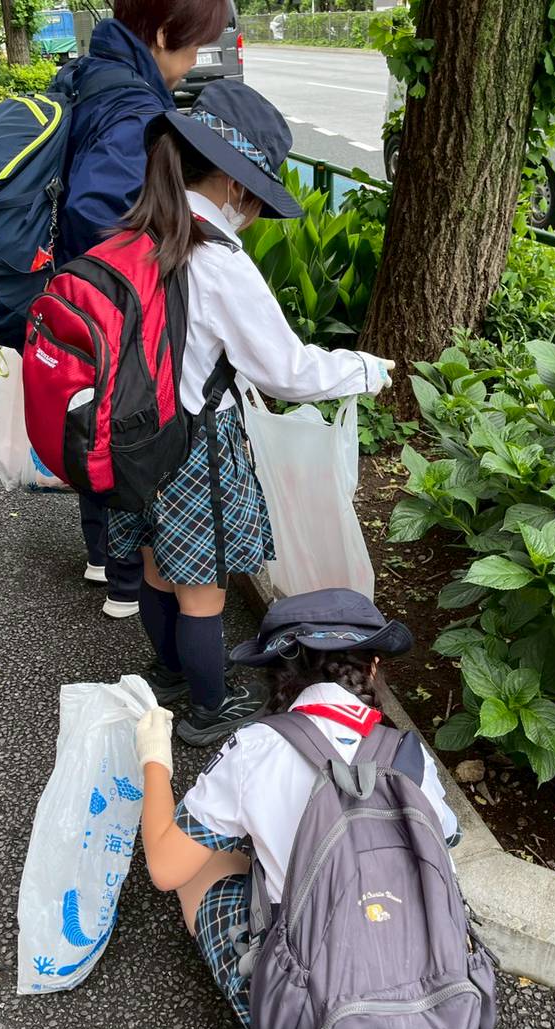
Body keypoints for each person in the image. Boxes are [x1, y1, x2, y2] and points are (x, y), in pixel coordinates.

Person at [110, 80, 395, 746]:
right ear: (237, 185)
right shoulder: (214, 256)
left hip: (131, 433)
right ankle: (209, 708)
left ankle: (169, 675)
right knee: (201, 592)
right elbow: (285, 370)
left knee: (154, 568)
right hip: (192, 447)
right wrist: (365, 370)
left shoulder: (138, 226)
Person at [134, 589, 459, 1029]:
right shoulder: (408, 753)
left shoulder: (256, 746)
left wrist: (155, 761)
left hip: (310, 1018)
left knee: (208, 864)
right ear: (373, 667)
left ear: (277, 673)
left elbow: (166, 869)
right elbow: (447, 838)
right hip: (430, 1010)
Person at [54, 0, 233, 620]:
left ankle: (101, 555)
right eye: (193, 46)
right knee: (123, 422)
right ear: (160, 34)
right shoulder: (135, 107)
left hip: (77, 296)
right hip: (113, 304)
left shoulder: (92, 72)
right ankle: (126, 580)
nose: (193, 61)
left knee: (90, 412)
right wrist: (151, 263)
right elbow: (96, 208)